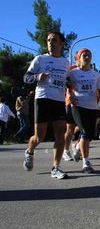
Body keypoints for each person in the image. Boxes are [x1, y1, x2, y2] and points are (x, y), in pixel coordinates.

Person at [22, 31, 70, 179]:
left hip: (58, 101)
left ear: (61, 44)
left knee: (60, 133)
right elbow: (26, 77)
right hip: (42, 99)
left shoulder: (65, 62)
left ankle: (56, 167)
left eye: (54, 40)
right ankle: (29, 151)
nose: (50, 42)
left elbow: (67, 80)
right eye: (48, 40)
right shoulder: (40, 59)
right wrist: (37, 77)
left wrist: (70, 86)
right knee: (39, 136)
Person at [69, 48, 100, 173]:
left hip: (92, 107)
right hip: (78, 105)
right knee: (84, 132)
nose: (87, 57)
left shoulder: (95, 74)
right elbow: (67, 86)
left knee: (89, 135)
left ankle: (77, 147)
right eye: (84, 55)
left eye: (89, 55)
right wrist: (69, 95)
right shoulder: (73, 73)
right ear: (79, 58)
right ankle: (86, 163)